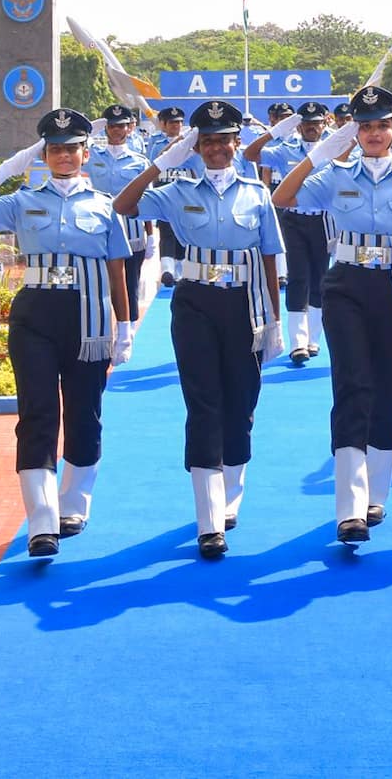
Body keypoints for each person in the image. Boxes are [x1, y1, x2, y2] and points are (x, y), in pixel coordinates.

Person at [0, 108, 136, 557]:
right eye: (54, 150)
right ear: (43, 154)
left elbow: (117, 270)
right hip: (35, 313)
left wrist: (125, 325)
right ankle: (41, 519)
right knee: (37, 413)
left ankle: (73, 505)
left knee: (84, 413)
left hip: (88, 319)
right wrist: (5, 170)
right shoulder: (22, 200)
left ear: (85, 153)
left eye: (70, 149)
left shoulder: (103, 207)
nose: (63, 156)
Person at [113, 100, 282, 561]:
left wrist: (274, 319)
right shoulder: (177, 190)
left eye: (223, 140)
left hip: (245, 301)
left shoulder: (257, 194)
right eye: (206, 141)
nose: (215, 149)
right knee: (203, 403)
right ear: (196, 146)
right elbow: (124, 205)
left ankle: (230, 497)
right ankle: (209, 521)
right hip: (195, 303)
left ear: (236, 143)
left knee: (241, 400)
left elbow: (269, 255)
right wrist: (164, 161)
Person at [271, 85, 392, 543]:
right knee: (352, 387)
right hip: (345, 286)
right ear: (353, 132)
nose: (374, 133)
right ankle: (349, 509)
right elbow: (283, 198)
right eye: (365, 126)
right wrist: (321, 153)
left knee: (390, 392)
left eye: (382, 125)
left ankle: (376, 495)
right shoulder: (336, 175)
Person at [247, 100, 333, 366]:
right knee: (298, 277)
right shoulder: (285, 149)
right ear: (299, 126)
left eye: (316, 123)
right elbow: (251, 154)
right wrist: (275, 131)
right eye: (305, 124)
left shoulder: (335, 149)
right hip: (293, 220)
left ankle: (313, 339)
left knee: (320, 278)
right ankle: (297, 342)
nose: (311, 128)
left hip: (324, 221)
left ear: (324, 123)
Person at [86, 104, 152, 317]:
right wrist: (94, 126)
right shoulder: (94, 156)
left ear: (129, 128)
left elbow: (146, 200)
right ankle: (103, 328)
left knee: (129, 283)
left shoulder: (140, 162)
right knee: (100, 283)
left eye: (121, 126)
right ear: (106, 128)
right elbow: (78, 143)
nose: (116, 130)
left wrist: (150, 236)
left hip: (131, 230)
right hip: (100, 228)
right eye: (112, 126)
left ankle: (129, 331)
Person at [146, 106, 192, 283]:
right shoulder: (156, 141)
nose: (177, 126)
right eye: (172, 122)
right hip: (164, 190)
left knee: (183, 231)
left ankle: (180, 270)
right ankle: (167, 270)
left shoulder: (190, 142)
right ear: (163, 124)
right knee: (166, 230)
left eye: (179, 122)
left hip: (185, 192)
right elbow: (155, 162)